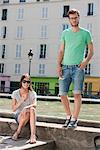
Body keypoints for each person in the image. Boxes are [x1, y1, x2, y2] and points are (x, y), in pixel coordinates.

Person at [57, 9, 94, 128]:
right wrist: (58, 65)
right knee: (62, 94)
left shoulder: (86, 33)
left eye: (75, 17)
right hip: (65, 67)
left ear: (79, 17)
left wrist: (85, 62)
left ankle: (75, 119)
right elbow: (61, 50)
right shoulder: (65, 33)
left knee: (77, 94)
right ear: (69, 19)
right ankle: (68, 116)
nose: (74, 20)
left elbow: (91, 51)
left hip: (78, 69)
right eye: (71, 18)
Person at [11, 73, 37, 144]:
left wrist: (26, 108)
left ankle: (32, 136)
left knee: (32, 109)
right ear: (21, 82)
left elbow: (35, 104)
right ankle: (18, 132)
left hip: (29, 115)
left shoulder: (32, 93)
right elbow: (13, 109)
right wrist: (21, 100)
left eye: (28, 82)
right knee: (27, 111)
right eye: (24, 81)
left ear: (30, 83)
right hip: (19, 116)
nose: (26, 83)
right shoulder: (15, 93)